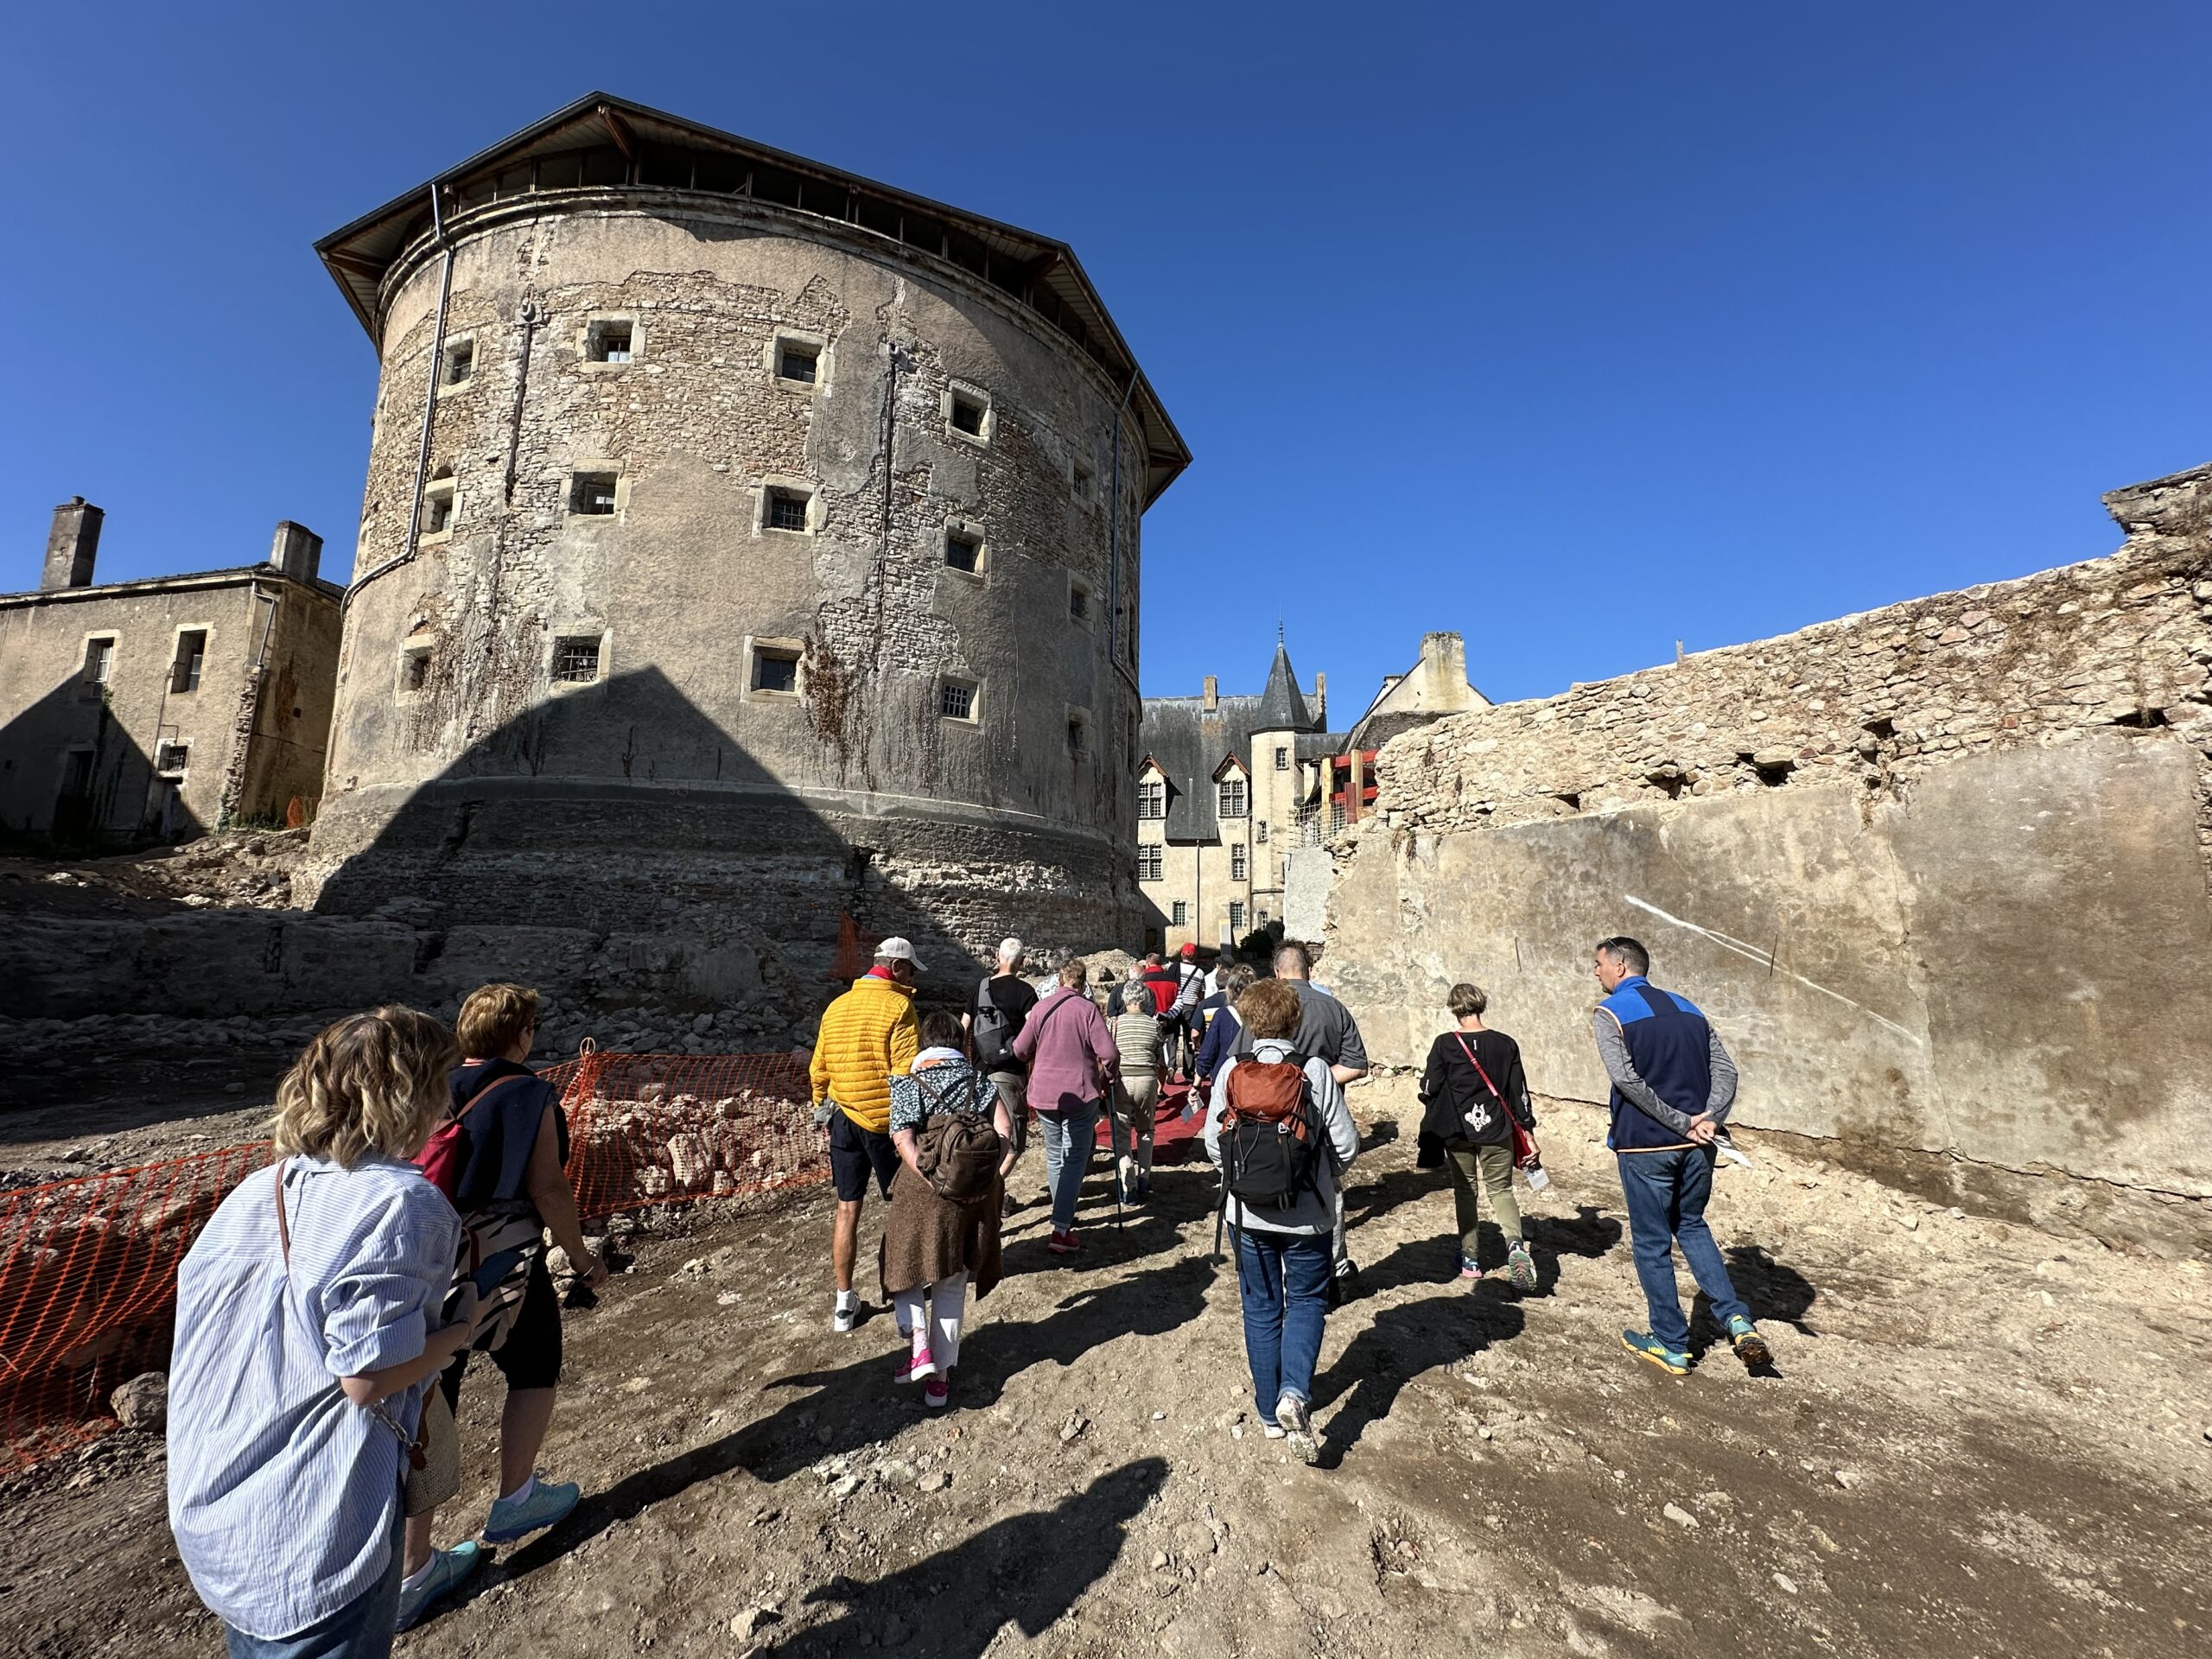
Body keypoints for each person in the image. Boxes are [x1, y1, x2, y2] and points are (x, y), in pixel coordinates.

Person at [168, 1007, 475, 1659]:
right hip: (320, 1521)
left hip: (220, 1508)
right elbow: (366, 1378)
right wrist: (459, 1332)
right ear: (412, 1093)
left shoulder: (257, 1190)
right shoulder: (401, 1202)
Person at [409, 982, 607, 1626]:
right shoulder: (529, 1093)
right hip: (502, 1259)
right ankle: (516, 1497)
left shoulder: (433, 1090)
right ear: (521, 1034)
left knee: (431, 1397)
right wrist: (582, 1259)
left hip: (429, 1258)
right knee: (535, 1364)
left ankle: (412, 1566)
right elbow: (548, 1187)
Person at [1592, 936, 1773, 1374]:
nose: (1596, 972)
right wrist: (1709, 1118)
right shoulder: (1688, 1007)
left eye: (1598, 964)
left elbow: (1627, 1081)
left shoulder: (1609, 1012)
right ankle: (1737, 1319)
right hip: (1699, 1146)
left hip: (1646, 1144)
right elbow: (1726, 1070)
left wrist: (1680, 1121)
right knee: (1691, 1225)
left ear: (1620, 966)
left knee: (1652, 1243)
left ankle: (1671, 1342)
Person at [1205, 978, 1358, 1465]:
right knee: (1307, 1301)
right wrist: (1317, 1175)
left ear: (1249, 1022)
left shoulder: (1231, 1070)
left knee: (1260, 1307)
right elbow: (1347, 1146)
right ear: (1296, 1020)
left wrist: (1245, 1177)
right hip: (1307, 1214)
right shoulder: (1314, 1071)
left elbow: (1213, 1143)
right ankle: (1294, 1392)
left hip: (1247, 1213)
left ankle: (1269, 1413)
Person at [881, 1010, 1013, 1408]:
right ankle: (939, 1379)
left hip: (922, 1192)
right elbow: (1006, 1133)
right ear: (958, 1043)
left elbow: (903, 1139)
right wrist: (984, 1178)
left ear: (925, 1044)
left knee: (900, 1263)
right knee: (952, 1281)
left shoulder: (908, 1083)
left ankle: (918, 1341)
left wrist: (932, 1179)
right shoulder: (980, 1082)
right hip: (971, 1197)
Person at [811, 938, 925, 1332]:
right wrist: (911, 1127)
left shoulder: (837, 1006)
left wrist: (821, 1106)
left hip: (843, 1118)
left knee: (847, 1208)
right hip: (884, 1123)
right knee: (905, 1205)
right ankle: (902, 1291)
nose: (913, 979)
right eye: (911, 970)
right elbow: (905, 1074)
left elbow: (819, 1068)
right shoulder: (899, 1007)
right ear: (896, 968)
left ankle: (844, 1305)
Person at [1255, 942, 1370, 1294]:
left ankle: (1282, 1270)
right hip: (1321, 1115)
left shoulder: (1265, 1008)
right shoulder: (1334, 1008)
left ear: (1277, 973)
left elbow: (1246, 1061)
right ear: (1309, 970)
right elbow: (1356, 1065)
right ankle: (1334, 1269)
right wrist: (1317, 1083)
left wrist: (1292, 1081)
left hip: (1270, 1116)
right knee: (1328, 1189)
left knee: (1273, 1182)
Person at [1418, 983, 1540, 1294]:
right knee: (1501, 1190)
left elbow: (1430, 1086)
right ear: (1481, 1004)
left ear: (1454, 1008)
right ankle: (1515, 1246)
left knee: (1465, 1190)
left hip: (1458, 1129)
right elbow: (1519, 1092)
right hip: (1497, 1129)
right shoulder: (1506, 1044)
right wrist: (1528, 1132)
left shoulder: (1445, 1044)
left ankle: (1470, 1259)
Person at [1010, 957, 1119, 1255]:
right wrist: (1108, 1076)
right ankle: (1061, 1226)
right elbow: (1109, 1053)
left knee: (1056, 1156)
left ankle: (1062, 1217)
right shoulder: (1087, 1010)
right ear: (1082, 983)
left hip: (1045, 1093)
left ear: (1060, 980)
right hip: (1080, 1093)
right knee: (1074, 1159)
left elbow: (1020, 1049)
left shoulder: (1041, 1008)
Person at [964, 937, 1039, 1220]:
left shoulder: (979, 988)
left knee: (985, 1138)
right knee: (1014, 1143)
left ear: (997, 957)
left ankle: (995, 1196)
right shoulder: (1025, 992)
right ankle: (986, 1193)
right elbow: (1035, 1030)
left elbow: (964, 1027)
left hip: (978, 1074)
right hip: (1009, 1074)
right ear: (1022, 962)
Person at [1109, 987, 1164, 1204]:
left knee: (1122, 1131)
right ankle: (1144, 1177)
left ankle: (1128, 1184)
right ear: (1145, 1000)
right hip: (1147, 1079)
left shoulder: (1114, 1024)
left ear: (1124, 999)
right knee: (1146, 1129)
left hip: (1122, 1079)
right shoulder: (1154, 1024)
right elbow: (1158, 1055)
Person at [1191, 962, 1257, 1108]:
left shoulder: (1222, 1015)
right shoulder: (1261, 1015)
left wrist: (1196, 1084)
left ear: (1230, 990)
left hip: (1225, 1077)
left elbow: (1209, 1051)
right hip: (1254, 1078)